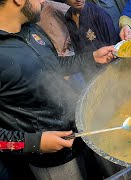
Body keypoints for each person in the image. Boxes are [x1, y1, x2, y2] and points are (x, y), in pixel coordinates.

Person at [0, 0, 116, 179]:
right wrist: (33, 143)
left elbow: (55, 65)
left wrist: (92, 57)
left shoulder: (31, 28)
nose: (43, 0)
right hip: (51, 158)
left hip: (80, 131)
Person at [64, 0, 119, 82]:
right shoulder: (68, 17)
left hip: (107, 71)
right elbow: (77, 47)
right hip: (87, 69)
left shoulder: (100, 15)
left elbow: (114, 49)